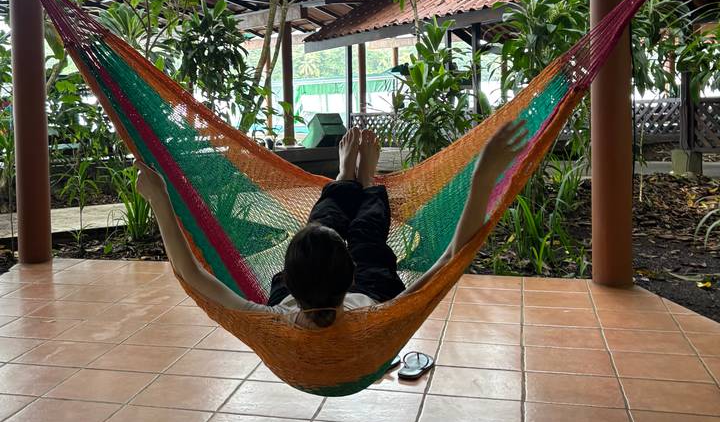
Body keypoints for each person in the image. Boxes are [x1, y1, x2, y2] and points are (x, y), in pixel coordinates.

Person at [136, 119, 528, 329]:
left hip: (359, 284)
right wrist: (482, 178)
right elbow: (451, 259)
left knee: (341, 226)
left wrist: (159, 200)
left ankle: (347, 175)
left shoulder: (274, 323)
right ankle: (366, 179)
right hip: (375, 292)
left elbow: (189, 273)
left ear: (287, 280)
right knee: (364, 231)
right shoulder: (377, 317)